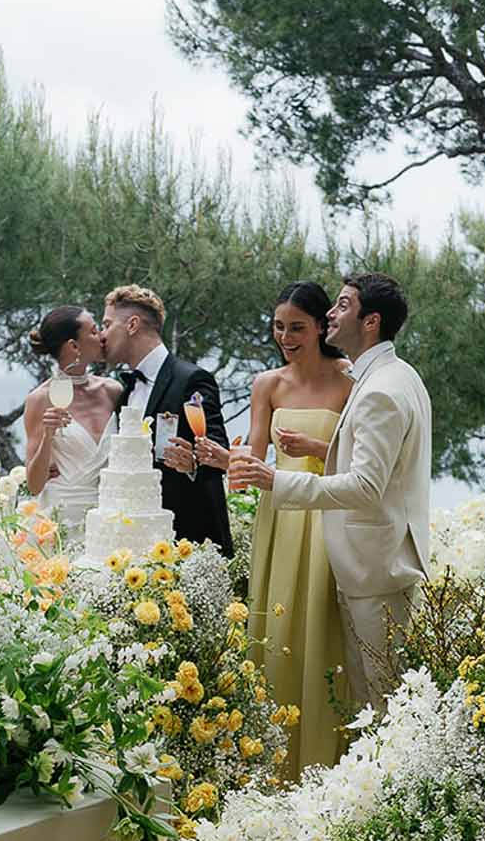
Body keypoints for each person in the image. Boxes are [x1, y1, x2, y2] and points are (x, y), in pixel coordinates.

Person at [228, 273, 431, 711]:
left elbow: (365, 485)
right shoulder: (398, 375)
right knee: (372, 702)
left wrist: (275, 480)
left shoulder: (380, 390)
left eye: (342, 305)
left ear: (371, 320)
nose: (332, 314)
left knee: (380, 704)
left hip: (374, 566)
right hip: (374, 560)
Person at [194, 282, 354, 772]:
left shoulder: (349, 381)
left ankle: (329, 766)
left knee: (324, 634)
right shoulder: (267, 384)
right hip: (279, 524)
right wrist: (220, 460)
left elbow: (363, 466)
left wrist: (313, 448)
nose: (286, 336)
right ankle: (272, 765)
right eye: (279, 326)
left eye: (297, 327)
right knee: (279, 632)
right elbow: (253, 463)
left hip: (328, 518)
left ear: (322, 327)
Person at [99, 284, 233, 555]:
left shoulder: (192, 380)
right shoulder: (126, 393)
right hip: (137, 546)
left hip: (190, 539)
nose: (102, 335)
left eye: (107, 324)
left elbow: (220, 450)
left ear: (132, 325)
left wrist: (192, 463)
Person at [21, 305, 121, 543]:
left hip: (112, 519)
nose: (102, 337)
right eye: (95, 331)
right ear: (73, 346)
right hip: (63, 524)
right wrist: (48, 436)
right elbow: (34, 486)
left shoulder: (113, 391)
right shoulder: (40, 399)